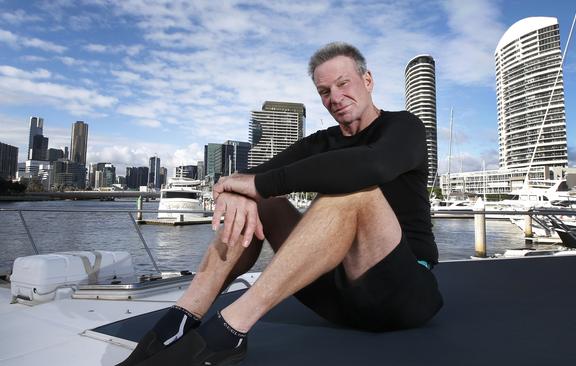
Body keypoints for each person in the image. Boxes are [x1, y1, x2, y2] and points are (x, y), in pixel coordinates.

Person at [117, 41, 443, 366]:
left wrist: (258, 185)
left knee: (357, 190)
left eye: (343, 84)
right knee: (260, 203)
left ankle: (229, 331)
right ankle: (182, 318)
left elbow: (375, 166)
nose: (335, 98)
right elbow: (249, 176)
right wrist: (242, 191)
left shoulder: (404, 127)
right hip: (337, 298)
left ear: (367, 80)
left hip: (401, 295)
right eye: (325, 91)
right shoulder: (321, 141)